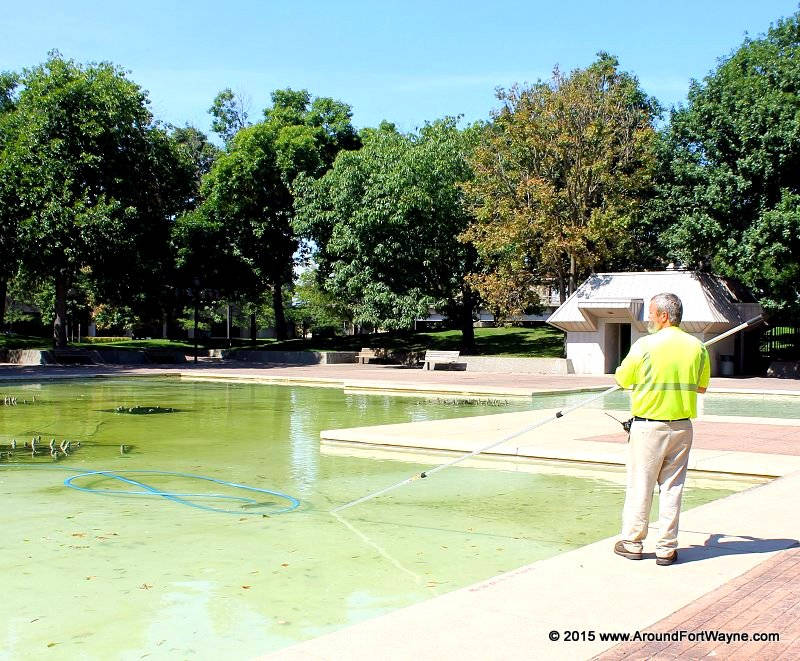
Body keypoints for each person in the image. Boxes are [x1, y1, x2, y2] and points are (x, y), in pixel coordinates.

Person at [613, 292, 710, 566]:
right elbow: (701, 387)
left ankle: (633, 542)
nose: (649, 319)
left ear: (664, 316)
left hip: (648, 427)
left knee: (640, 486)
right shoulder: (697, 347)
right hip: (681, 428)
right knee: (673, 488)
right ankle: (666, 548)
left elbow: (622, 378)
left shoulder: (644, 345)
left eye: (652, 314)